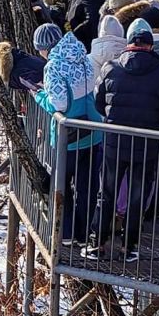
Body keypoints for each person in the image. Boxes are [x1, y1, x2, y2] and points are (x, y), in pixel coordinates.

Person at [87, 19, 159, 262]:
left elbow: (99, 103)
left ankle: (97, 243)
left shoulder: (110, 68)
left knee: (106, 193)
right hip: (146, 144)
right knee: (137, 197)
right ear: (150, 46)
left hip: (114, 142)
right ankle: (129, 247)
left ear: (128, 44)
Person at [36, 32, 104, 246]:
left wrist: (40, 96)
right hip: (92, 130)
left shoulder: (54, 66)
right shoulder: (83, 57)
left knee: (61, 184)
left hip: (69, 134)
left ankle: (65, 233)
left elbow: (59, 104)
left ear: (45, 47)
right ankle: (84, 234)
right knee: (87, 186)